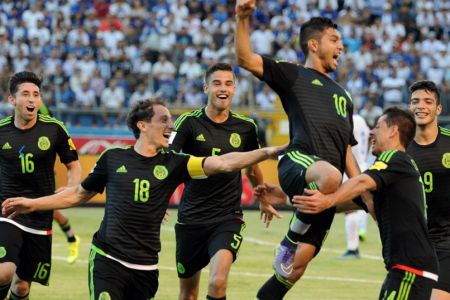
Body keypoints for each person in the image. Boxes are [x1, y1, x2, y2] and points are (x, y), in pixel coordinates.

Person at [2, 99, 284, 300]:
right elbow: (77, 194)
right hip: (107, 259)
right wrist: (32, 203)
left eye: (171, 121)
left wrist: (269, 151)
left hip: (145, 267)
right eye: (164, 120)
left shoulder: (176, 162)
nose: (171, 126)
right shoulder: (113, 158)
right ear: (142, 125)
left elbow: (223, 163)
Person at [235, 2, 361, 298]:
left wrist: (363, 186)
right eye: (335, 40)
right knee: (330, 177)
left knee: (294, 269)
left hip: (325, 184)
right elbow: (244, 58)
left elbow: (345, 149)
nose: (341, 46)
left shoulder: (343, 95)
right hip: (298, 161)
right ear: (314, 44)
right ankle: (290, 239)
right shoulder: (292, 75)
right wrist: (242, 18)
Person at [293, 107, 439, 299]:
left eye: (378, 126)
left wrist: (327, 200)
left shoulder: (394, 158)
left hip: (410, 269)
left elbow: (360, 182)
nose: (371, 131)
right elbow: (348, 201)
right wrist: (291, 197)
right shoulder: (394, 175)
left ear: (393, 131)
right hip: (406, 268)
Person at [170, 62, 280, 300]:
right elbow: (168, 163)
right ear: (206, 88)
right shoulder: (188, 123)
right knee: (188, 293)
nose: (223, 88)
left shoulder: (246, 127)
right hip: (191, 218)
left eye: (229, 83)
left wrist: (262, 198)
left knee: (218, 282)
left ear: (235, 88)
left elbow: (252, 167)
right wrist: (157, 202)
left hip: (227, 217)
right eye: (217, 83)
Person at [0, 71, 81, 300]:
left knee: (22, 287)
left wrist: (71, 187)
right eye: (25, 94)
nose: (32, 99)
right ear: (12, 100)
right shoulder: (1, 131)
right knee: (4, 273)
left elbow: (73, 166)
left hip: (40, 212)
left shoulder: (54, 129)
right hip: (8, 210)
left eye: (36, 94)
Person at [406, 80, 450, 300]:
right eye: (415, 101)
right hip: (413, 246)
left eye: (427, 101)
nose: (420, 106)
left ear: (438, 109)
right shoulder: (400, 150)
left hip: (447, 242)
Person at [39, 103, 81, 265]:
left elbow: (73, 163)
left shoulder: (52, 129)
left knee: (49, 210)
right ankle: (71, 238)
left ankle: (71, 238)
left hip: (45, 177)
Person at [340, 113, 370, 259]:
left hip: (351, 167)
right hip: (364, 164)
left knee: (350, 209)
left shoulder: (347, 121)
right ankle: (361, 232)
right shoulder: (361, 119)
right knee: (366, 205)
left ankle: (353, 248)